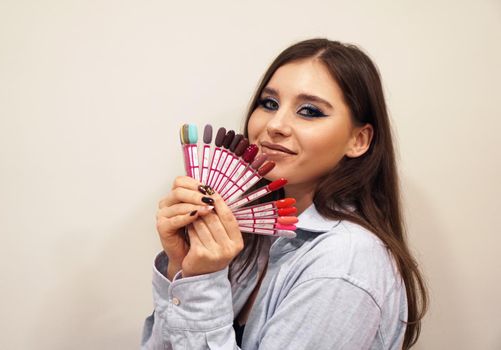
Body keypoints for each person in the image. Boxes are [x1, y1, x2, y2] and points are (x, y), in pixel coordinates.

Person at [141, 38, 428, 349]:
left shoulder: (344, 264)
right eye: (269, 104)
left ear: (358, 140)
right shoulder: (258, 237)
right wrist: (182, 267)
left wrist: (204, 282)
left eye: (309, 111)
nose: (275, 125)